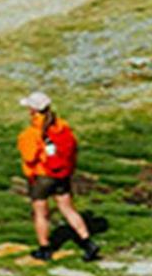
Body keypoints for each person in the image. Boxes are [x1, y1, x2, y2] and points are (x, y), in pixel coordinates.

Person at [16, 91, 100, 262]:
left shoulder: (30, 133)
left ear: (32, 110)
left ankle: (44, 248)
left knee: (41, 213)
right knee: (68, 208)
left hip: (42, 176)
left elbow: (30, 158)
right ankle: (87, 242)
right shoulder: (62, 126)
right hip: (62, 174)